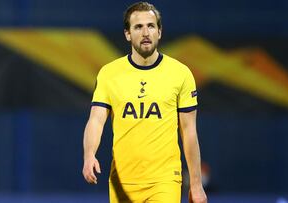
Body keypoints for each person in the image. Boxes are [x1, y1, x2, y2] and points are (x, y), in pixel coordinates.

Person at [82, 2, 207, 203]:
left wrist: (196, 183)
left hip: (165, 180)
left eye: (151, 26)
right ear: (127, 34)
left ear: (159, 32)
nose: (145, 32)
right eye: (138, 27)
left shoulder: (180, 74)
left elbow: (189, 132)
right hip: (122, 181)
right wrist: (89, 156)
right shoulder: (109, 73)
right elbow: (96, 120)